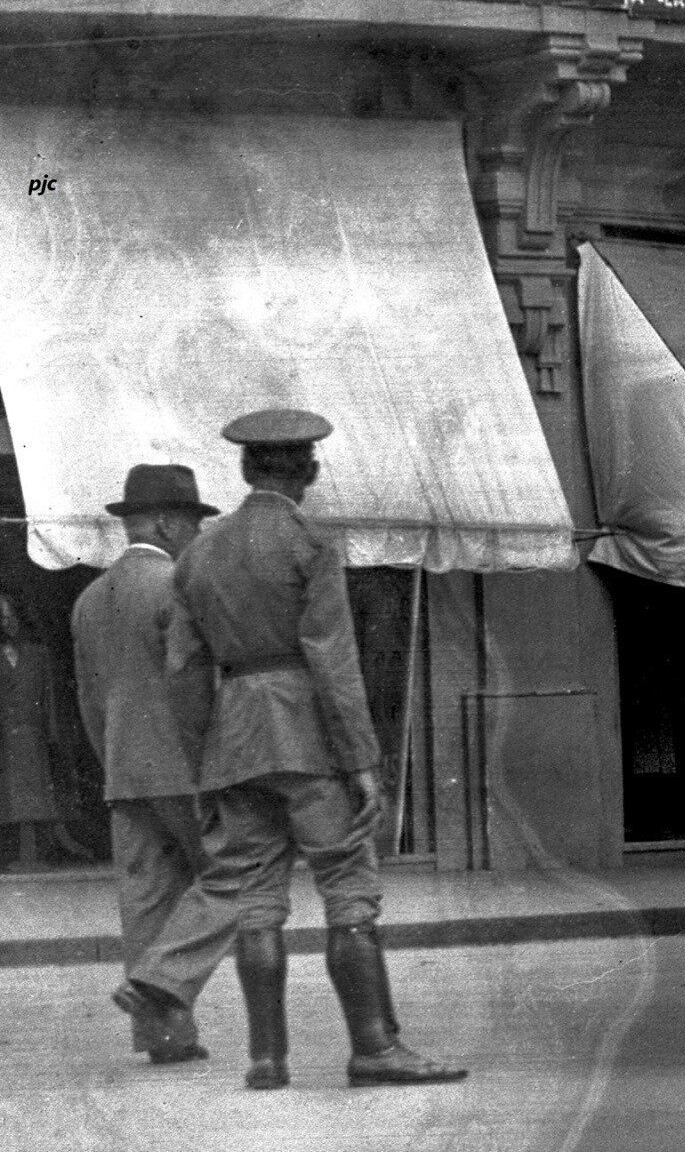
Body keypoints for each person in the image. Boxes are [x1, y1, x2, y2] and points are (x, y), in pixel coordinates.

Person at [162, 409, 466, 1091]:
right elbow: (334, 659)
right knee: (348, 887)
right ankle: (373, 1049)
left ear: (243, 469)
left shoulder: (198, 553)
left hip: (233, 741)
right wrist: (363, 761)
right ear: (311, 470)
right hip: (306, 736)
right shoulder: (309, 545)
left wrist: (205, 758)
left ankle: (267, 1057)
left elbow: (181, 669)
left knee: (255, 898)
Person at [71, 465, 238, 1065]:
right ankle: (159, 979)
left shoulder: (89, 600)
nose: (196, 535)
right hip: (185, 769)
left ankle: (164, 1039)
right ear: (169, 523)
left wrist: (116, 760)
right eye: (194, 523)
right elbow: (200, 687)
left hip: (123, 771)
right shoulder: (179, 586)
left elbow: (89, 699)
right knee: (236, 876)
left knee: (146, 900)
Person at [0, 593, 92, 867]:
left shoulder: (38, 655)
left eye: (8, 616)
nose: (5, 623)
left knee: (37, 796)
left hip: (32, 736)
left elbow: (50, 698)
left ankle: (38, 854)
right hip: (3, 738)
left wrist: (53, 736)